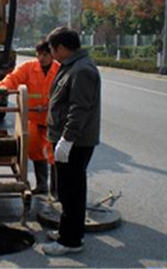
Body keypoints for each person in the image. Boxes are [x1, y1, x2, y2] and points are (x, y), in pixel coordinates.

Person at [41, 27, 101, 256]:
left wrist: (67, 139)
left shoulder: (82, 70)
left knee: (72, 192)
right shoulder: (72, 66)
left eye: (52, 49)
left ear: (62, 48)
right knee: (68, 191)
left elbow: (79, 109)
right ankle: (68, 232)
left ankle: (70, 241)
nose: (51, 54)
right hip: (67, 140)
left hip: (75, 142)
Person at [0, 40, 60, 195]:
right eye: (39, 54)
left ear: (52, 54)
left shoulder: (59, 70)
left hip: (54, 120)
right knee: (35, 151)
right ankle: (42, 184)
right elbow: (12, 78)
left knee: (55, 155)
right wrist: (3, 87)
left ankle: (56, 190)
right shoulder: (29, 68)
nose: (41, 57)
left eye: (45, 54)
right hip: (35, 118)